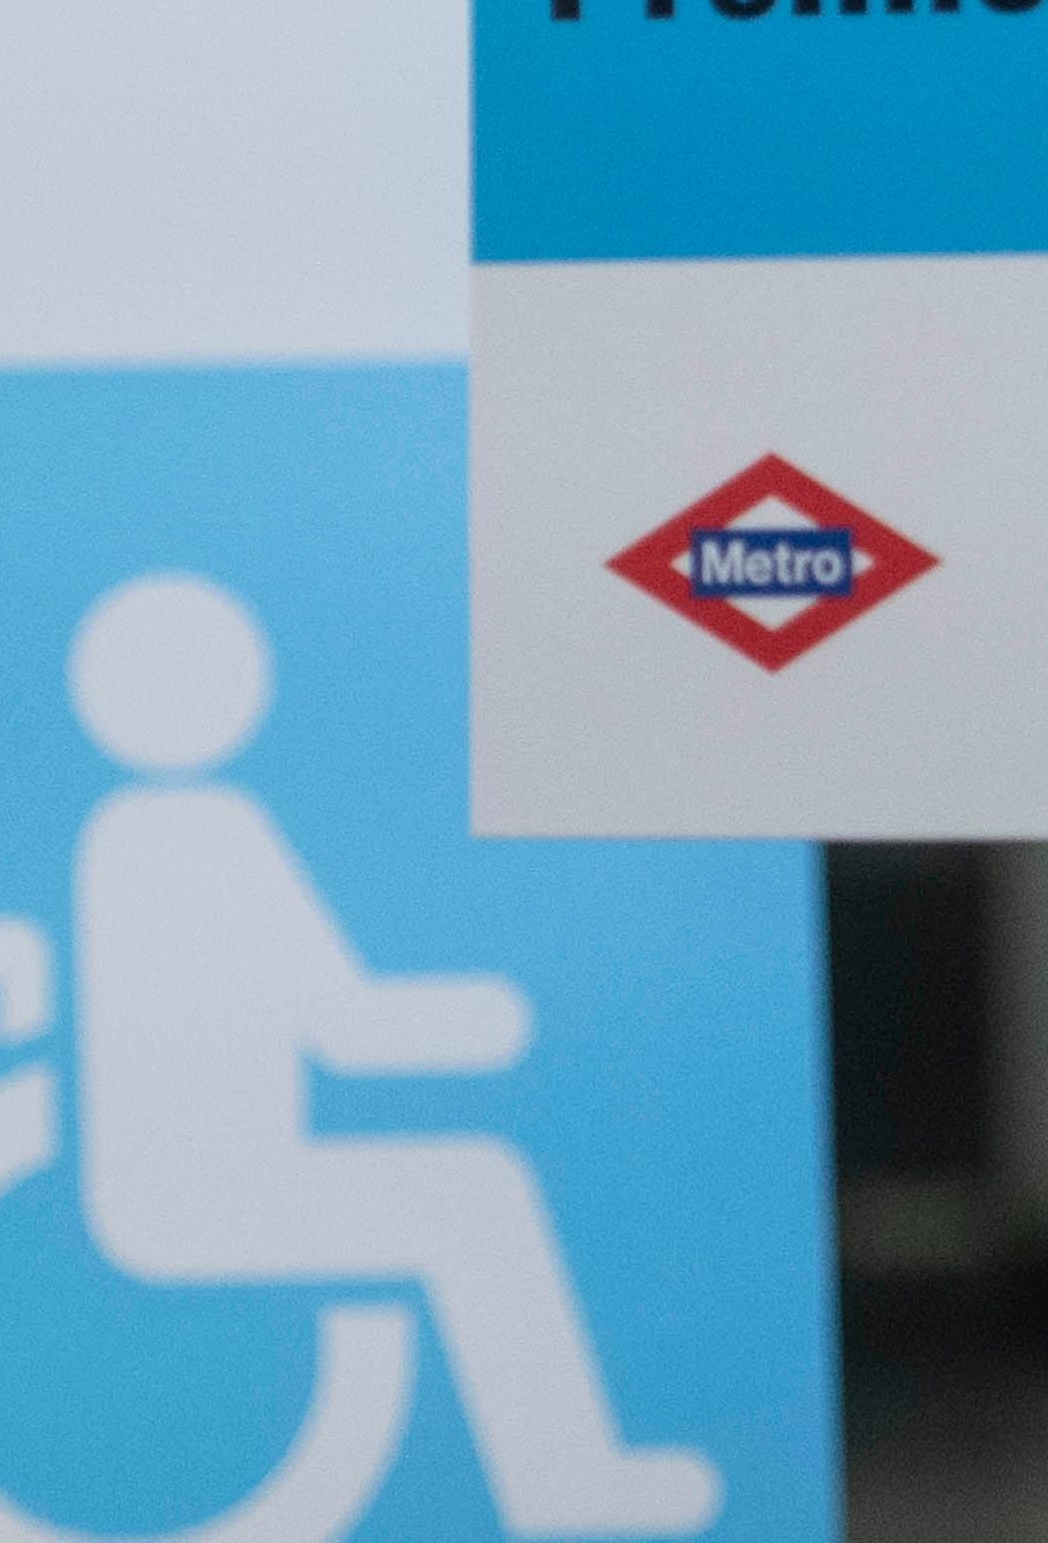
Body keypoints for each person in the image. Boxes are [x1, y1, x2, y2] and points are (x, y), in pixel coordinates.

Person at [60, 571, 717, 1539]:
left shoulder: (126, 838)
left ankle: (569, 1478)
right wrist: (479, 1020)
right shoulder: (214, 840)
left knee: (468, 1189)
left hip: (187, 1177)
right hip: (209, 1189)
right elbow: (339, 1027)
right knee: (476, 1198)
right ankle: (566, 1485)